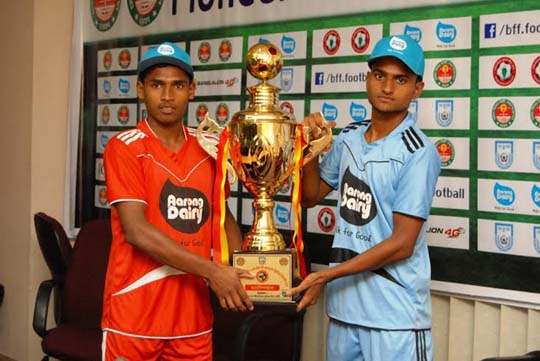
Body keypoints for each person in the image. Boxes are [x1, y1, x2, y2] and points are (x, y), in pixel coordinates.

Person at [291, 35, 441, 361]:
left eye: (400, 79)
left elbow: (402, 243)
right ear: (368, 78)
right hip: (345, 311)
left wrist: (326, 276)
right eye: (380, 75)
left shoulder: (419, 152)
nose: (387, 87)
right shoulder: (348, 137)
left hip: (394, 318)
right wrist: (310, 149)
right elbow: (311, 197)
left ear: (417, 89)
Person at [101, 42, 253, 361]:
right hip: (134, 319)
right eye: (157, 85)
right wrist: (213, 272)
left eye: (178, 86)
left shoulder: (211, 146)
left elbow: (222, 218)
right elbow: (136, 231)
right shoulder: (125, 147)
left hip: (193, 320)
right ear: (141, 90)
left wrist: (242, 272)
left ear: (192, 90)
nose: (167, 96)